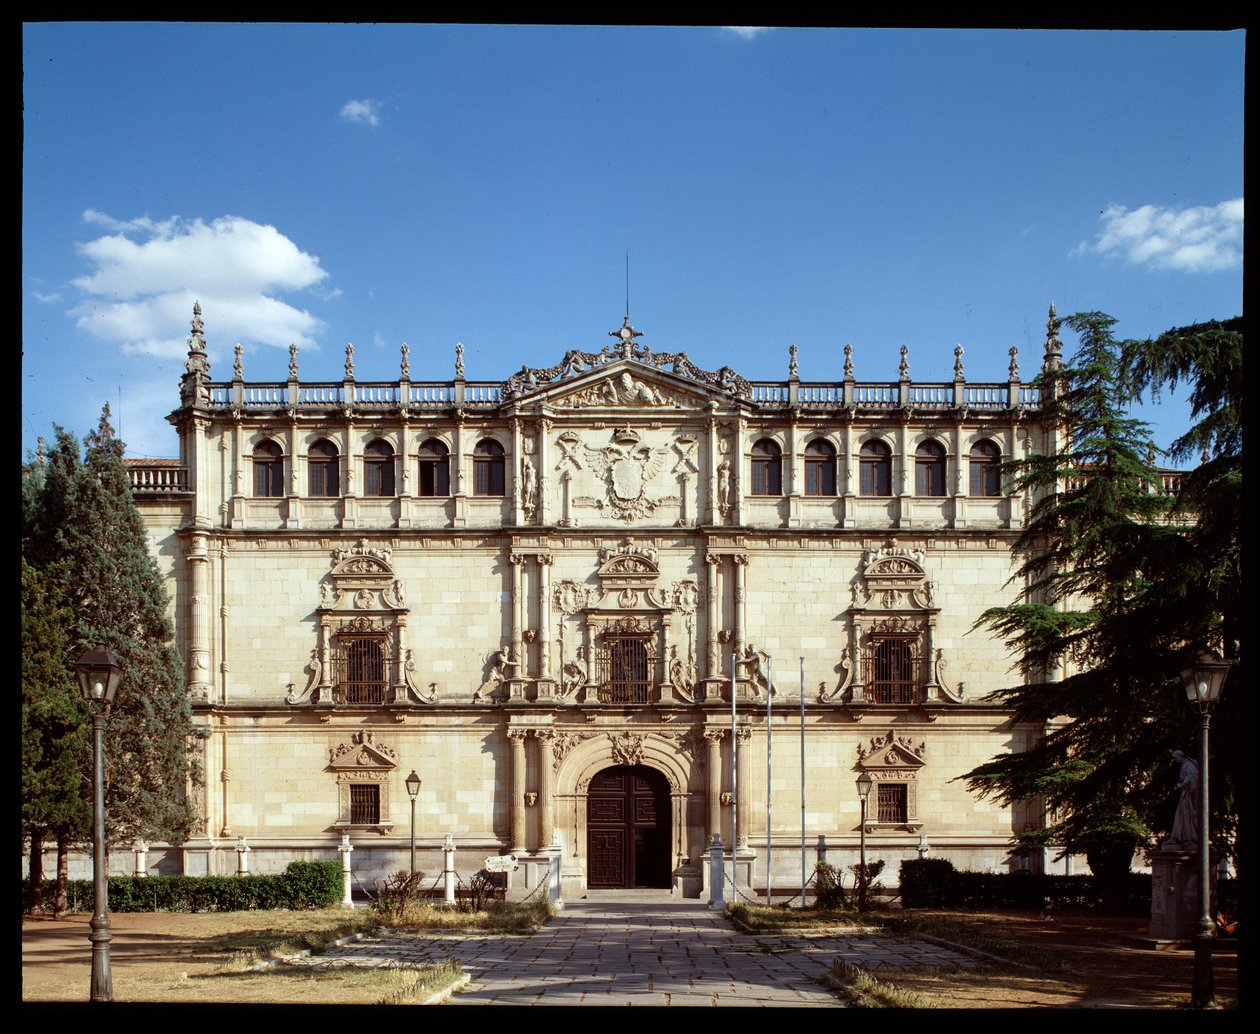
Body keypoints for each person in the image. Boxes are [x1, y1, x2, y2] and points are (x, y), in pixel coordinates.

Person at [1167, 749, 1199, 847]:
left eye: (1175, 757)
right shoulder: (1185, 765)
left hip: (1189, 794)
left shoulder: (1189, 765)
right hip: (1186, 793)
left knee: (1187, 815)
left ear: (1180, 756)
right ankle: (1178, 837)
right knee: (1180, 815)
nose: (1174, 760)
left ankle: (1189, 837)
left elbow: (1192, 776)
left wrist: (1181, 785)